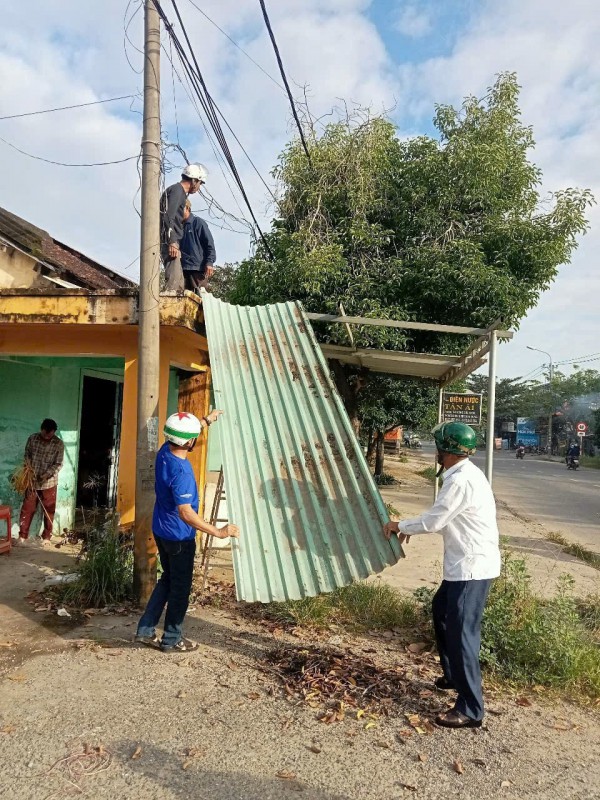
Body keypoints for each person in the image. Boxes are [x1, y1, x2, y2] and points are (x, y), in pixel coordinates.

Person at [383, 421, 500, 729]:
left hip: (472, 569)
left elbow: (434, 520)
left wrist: (399, 526)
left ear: (446, 450)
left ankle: (470, 708)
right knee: (442, 613)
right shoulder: (464, 474)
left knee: (462, 634)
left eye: (437, 445)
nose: (435, 450)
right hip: (463, 565)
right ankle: (453, 675)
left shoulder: (461, 481)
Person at [136, 410, 239, 653]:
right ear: (190, 442)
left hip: (161, 530)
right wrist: (218, 531)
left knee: (167, 580)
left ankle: (145, 629)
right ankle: (172, 639)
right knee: (180, 588)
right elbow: (186, 512)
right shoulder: (181, 471)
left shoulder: (164, 451)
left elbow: (181, 435)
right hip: (179, 536)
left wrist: (205, 421)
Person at [160, 164, 208, 293]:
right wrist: (172, 241)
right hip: (170, 241)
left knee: (179, 284)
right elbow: (168, 216)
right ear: (194, 180)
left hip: (172, 240)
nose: (198, 187)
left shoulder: (179, 192)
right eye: (200, 183)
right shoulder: (177, 191)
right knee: (174, 285)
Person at [16, 419, 64, 546]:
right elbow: (27, 455)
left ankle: (47, 537)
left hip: (49, 482)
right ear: (41, 429)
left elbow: (58, 464)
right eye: (44, 434)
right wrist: (29, 470)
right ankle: (22, 537)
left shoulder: (58, 443)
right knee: (27, 508)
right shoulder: (32, 438)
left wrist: (46, 475)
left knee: (49, 510)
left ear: (54, 432)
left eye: (50, 434)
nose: (47, 436)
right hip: (31, 481)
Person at [180, 199, 217, 293]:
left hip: (198, 269)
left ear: (187, 208)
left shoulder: (198, 223)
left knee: (201, 300)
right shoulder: (178, 227)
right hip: (182, 270)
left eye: (180, 208)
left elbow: (209, 244)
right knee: (184, 301)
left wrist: (209, 262)